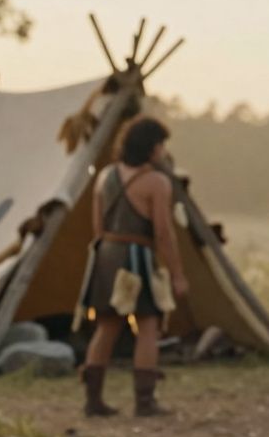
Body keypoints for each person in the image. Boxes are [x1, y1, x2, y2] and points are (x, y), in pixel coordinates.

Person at [79, 116, 189, 418]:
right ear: (152, 147)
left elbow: (98, 227)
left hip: (107, 255)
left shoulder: (105, 176)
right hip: (136, 256)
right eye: (161, 144)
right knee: (148, 326)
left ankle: (93, 399)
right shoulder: (156, 182)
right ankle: (145, 401)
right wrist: (177, 274)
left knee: (107, 325)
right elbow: (163, 232)